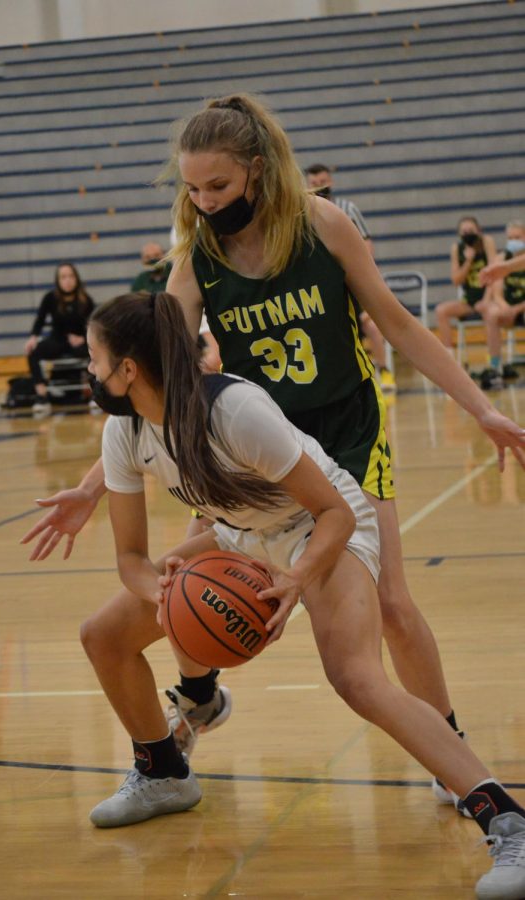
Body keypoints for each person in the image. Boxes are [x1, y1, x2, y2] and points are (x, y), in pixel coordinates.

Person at [22, 94, 525, 814]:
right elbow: (151, 377)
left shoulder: (324, 226)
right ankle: (187, 718)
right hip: (259, 446)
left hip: (345, 435)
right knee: (190, 574)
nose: (203, 201)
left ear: (256, 171)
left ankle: (449, 749)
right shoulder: (197, 257)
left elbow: (398, 322)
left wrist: (482, 409)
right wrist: (91, 485)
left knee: (389, 604)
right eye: (191, 189)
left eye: (217, 187)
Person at [35, 290, 525, 899]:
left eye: (95, 359)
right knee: (104, 635)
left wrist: (297, 579)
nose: (90, 370)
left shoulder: (234, 409)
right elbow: (131, 559)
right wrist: (159, 588)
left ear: (127, 370)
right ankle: (163, 771)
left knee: (357, 678)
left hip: (321, 525)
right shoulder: (123, 432)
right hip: (238, 533)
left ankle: (507, 820)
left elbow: (336, 512)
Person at [305, 162, 396, 393]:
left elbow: (366, 243)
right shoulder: (302, 212)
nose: (319, 186)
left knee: (371, 325)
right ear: (307, 184)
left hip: (351, 281)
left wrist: (359, 274)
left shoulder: (347, 208)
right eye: (315, 183)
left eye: (323, 182)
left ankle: (384, 370)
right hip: (321, 286)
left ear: (331, 181)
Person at [434, 217, 500, 388]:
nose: (468, 234)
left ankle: (494, 364)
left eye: (471, 230)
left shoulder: (487, 242)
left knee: (491, 314)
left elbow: (495, 273)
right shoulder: (457, 248)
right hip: (469, 300)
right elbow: (456, 280)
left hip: (488, 297)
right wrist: (469, 261)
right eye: (464, 232)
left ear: (479, 230)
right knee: (442, 310)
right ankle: (451, 363)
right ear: (459, 235)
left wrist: (486, 300)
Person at [24, 263, 94, 415]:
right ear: (58, 280)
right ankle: (41, 395)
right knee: (32, 352)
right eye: (63, 277)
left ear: (76, 279)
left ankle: (95, 394)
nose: (67, 280)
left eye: (70, 276)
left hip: (79, 343)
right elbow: (40, 320)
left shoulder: (85, 299)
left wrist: (83, 338)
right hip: (58, 341)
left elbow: (93, 325)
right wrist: (33, 337)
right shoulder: (50, 298)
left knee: (96, 352)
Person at [479, 221, 525, 379]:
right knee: (491, 313)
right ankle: (495, 364)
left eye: (517, 237)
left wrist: (518, 308)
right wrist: (504, 306)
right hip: (510, 308)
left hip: (521, 307)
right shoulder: (502, 258)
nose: (513, 241)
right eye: (510, 238)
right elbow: (497, 291)